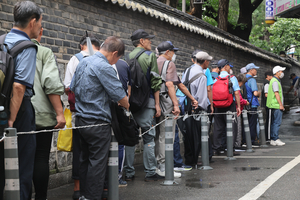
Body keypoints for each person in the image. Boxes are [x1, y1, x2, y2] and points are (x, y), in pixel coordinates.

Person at [70, 36, 129, 200]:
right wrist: (128, 108)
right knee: (97, 162)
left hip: (80, 120)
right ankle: (91, 197)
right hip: (97, 122)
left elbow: (72, 87)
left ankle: (83, 195)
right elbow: (120, 96)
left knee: (84, 160)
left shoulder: (83, 62)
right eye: (117, 59)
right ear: (114, 53)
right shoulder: (104, 66)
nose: (115, 63)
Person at [0, 2, 42, 200]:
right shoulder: (27, 47)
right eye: (40, 22)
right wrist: (11, 120)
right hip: (18, 111)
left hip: (0, 106)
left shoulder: (2, 40)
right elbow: (19, 87)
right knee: (23, 164)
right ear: (32, 22)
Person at [123, 29, 164, 182]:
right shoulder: (150, 56)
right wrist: (158, 104)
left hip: (130, 103)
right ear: (141, 41)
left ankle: (128, 172)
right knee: (149, 137)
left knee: (130, 138)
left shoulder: (127, 57)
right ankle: (150, 172)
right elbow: (155, 81)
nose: (150, 42)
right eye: (148, 39)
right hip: (147, 103)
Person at [63, 34, 100, 200]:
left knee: (80, 151)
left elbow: (67, 87)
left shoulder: (75, 59)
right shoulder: (103, 60)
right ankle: (101, 189)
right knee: (99, 153)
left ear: (81, 46)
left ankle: (78, 189)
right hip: (101, 114)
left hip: (79, 113)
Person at [31, 28, 66, 200]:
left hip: (12, 115)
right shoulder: (44, 52)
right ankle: (40, 197)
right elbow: (51, 84)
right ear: (40, 32)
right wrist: (60, 113)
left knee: (14, 159)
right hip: (41, 115)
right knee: (40, 157)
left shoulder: (6, 48)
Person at [155, 41, 197, 176]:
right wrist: (176, 104)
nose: (174, 55)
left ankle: (158, 165)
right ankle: (164, 166)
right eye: (173, 52)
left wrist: (191, 98)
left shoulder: (154, 62)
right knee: (167, 135)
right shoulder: (169, 64)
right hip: (166, 102)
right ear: (167, 52)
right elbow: (170, 84)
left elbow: (181, 85)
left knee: (157, 135)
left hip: (155, 102)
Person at [181, 51, 211, 166]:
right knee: (197, 136)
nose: (208, 63)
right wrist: (203, 108)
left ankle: (188, 160)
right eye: (208, 61)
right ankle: (193, 161)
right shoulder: (202, 76)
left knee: (187, 136)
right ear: (205, 61)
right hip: (196, 109)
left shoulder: (188, 70)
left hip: (185, 107)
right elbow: (202, 97)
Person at [212, 59, 241, 155]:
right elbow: (236, 93)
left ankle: (217, 148)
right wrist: (238, 106)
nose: (230, 68)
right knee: (232, 127)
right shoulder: (232, 78)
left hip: (217, 106)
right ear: (225, 66)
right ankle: (230, 148)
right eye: (229, 66)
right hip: (229, 105)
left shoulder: (215, 79)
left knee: (218, 127)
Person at [112, 59, 132, 187]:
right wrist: (126, 104)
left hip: (93, 113)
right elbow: (126, 88)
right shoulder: (122, 64)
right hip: (118, 109)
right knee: (119, 143)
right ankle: (117, 176)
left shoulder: (80, 60)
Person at [267, 66, 286, 146]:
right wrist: (281, 105)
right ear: (277, 72)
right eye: (281, 71)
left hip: (274, 105)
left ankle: (273, 139)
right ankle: (275, 138)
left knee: (274, 122)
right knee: (276, 122)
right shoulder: (275, 81)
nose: (282, 73)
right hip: (276, 105)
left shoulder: (275, 80)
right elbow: (276, 93)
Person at [245, 63, 261, 145]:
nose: (256, 71)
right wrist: (259, 93)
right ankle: (251, 141)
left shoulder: (243, 78)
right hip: (252, 104)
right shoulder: (252, 80)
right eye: (255, 69)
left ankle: (245, 140)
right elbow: (255, 93)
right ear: (251, 70)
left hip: (245, 104)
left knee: (245, 123)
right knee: (252, 123)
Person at [236, 73, 249, 147]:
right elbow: (239, 99)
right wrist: (245, 102)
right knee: (237, 129)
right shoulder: (236, 87)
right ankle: (237, 145)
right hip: (237, 110)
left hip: (233, 109)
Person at [261, 71, 273, 141]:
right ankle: (267, 137)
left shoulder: (266, 82)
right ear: (268, 76)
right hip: (268, 104)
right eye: (271, 76)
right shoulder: (267, 83)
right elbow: (266, 94)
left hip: (267, 104)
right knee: (268, 120)